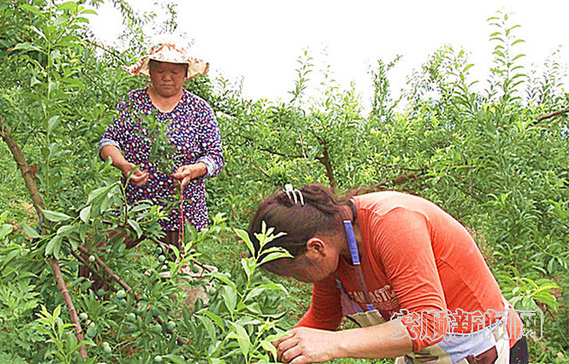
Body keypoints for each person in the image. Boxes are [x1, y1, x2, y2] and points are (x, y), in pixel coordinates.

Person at [248, 184, 528, 364]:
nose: (300, 281)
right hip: (428, 357)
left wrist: (336, 344)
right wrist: (271, 354)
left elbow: (429, 324)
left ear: (315, 249)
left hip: (488, 349)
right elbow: (322, 319)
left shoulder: (393, 222)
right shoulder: (333, 250)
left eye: (295, 274)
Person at [99, 38, 224, 247]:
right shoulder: (132, 102)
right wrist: (123, 165)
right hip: (132, 206)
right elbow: (108, 141)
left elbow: (215, 156)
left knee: (181, 275)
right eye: (160, 70)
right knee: (97, 258)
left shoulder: (200, 109)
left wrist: (194, 170)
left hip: (183, 210)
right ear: (150, 72)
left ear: (185, 73)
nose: (167, 77)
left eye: (174, 72)